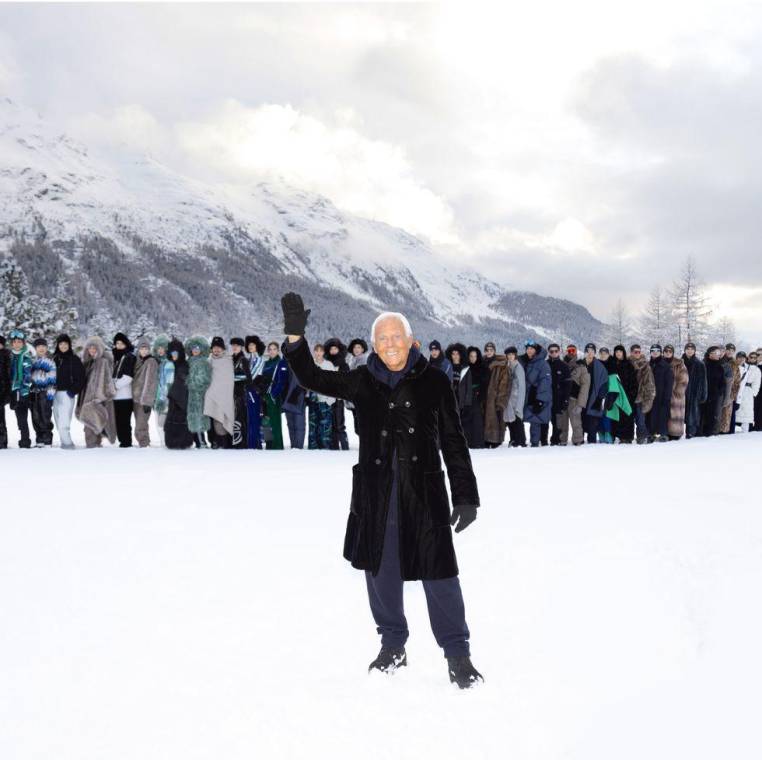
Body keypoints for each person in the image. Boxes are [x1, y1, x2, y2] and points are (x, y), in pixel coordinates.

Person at [280, 293, 483, 688]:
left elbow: (454, 441)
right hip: (377, 494)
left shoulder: (435, 381)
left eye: (397, 337)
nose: (390, 344)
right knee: (381, 573)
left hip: (423, 493)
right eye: (383, 339)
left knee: (439, 574)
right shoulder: (361, 380)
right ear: (374, 345)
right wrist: (295, 336)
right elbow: (312, 377)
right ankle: (393, 645)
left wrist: (465, 494)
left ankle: (458, 654)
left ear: (410, 341)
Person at [76, 336, 117, 448]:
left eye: (95, 348)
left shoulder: (103, 362)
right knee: (90, 425)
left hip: (97, 399)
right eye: (90, 348)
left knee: (92, 425)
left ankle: (93, 449)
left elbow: (108, 382)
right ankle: (95, 446)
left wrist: (101, 398)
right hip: (86, 398)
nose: (92, 350)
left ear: (100, 349)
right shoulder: (87, 363)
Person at [53, 334, 85, 449]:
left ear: (69, 345)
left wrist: (72, 391)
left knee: (64, 422)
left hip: (67, 393)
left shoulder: (74, 359)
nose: (63, 346)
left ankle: (68, 445)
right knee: (57, 420)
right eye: (61, 344)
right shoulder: (55, 359)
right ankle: (64, 442)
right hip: (55, 393)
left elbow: (81, 378)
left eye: (65, 344)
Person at [204, 336, 234, 449]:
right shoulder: (208, 362)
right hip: (211, 396)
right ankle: (214, 442)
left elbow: (230, 379)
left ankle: (225, 442)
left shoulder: (229, 361)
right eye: (214, 348)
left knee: (224, 418)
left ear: (223, 349)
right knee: (212, 419)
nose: (216, 350)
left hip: (226, 396)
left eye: (219, 347)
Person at [164, 339, 194, 450]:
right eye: (172, 353)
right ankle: (172, 442)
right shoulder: (169, 365)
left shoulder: (184, 365)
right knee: (172, 420)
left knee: (182, 420)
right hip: (172, 398)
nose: (174, 355)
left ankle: (183, 442)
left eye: (176, 353)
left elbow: (184, 381)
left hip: (182, 398)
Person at [260, 341, 289, 450]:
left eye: (274, 349)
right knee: (266, 422)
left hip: (274, 396)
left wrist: (273, 394)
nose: (272, 351)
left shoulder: (281, 363)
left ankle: (277, 445)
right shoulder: (266, 363)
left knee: (275, 422)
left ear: (278, 351)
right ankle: (269, 444)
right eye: (270, 349)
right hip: (265, 396)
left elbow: (282, 382)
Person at [522, 341, 552, 447]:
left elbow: (545, 382)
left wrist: (540, 400)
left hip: (536, 397)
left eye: (531, 349)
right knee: (531, 420)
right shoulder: (527, 361)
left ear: (536, 350)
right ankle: (530, 442)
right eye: (528, 349)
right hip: (528, 396)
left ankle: (535, 444)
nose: (529, 351)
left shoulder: (543, 364)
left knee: (536, 422)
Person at [307, 343, 336, 449]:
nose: (318, 353)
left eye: (320, 351)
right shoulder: (310, 364)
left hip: (325, 400)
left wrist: (331, 399)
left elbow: (334, 383)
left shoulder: (328, 365)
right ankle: (313, 447)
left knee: (325, 425)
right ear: (313, 352)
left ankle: (325, 447)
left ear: (323, 352)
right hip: (313, 399)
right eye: (316, 350)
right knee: (313, 425)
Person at [29, 337, 57, 448]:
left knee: (45, 416)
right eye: (39, 347)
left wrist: (50, 396)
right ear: (35, 348)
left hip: (45, 392)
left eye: (43, 346)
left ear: (46, 348)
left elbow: (52, 380)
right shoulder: (32, 362)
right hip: (33, 392)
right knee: (35, 417)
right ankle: (39, 439)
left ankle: (47, 440)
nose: (41, 348)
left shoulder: (50, 362)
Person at [8, 329, 33, 449]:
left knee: (23, 417)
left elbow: (27, 376)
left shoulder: (26, 358)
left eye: (19, 342)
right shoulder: (9, 357)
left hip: (23, 392)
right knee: (18, 417)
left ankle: (25, 440)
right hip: (13, 392)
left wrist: (23, 390)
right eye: (15, 342)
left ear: (23, 343)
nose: (17, 344)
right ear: (12, 343)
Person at [132, 336, 159, 448]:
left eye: (146, 348)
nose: (144, 351)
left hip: (144, 400)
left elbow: (151, 383)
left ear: (149, 350)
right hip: (135, 399)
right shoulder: (137, 361)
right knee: (139, 424)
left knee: (140, 425)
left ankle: (144, 445)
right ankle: (143, 443)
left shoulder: (151, 362)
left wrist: (147, 401)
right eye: (142, 348)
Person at [324, 338, 350, 450]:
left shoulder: (344, 364)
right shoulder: (326, 363)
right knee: (331, 424)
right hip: (328, 397)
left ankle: (344, 446)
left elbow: (347, 381)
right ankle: (333, 446)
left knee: (339, 423)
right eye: (331, 349)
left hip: (339, 397)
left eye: (335, 348)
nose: (333, 350)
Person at [186, 336, 212, 448]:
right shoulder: (188, 361)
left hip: (200, 394)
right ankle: (195, 440)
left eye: (197, 348)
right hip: (189, 395)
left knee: (200, 417)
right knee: (192, 417)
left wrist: (190, 382)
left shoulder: (205, 362)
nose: (195, 350)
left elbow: (206, 378)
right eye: (193, 348)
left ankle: (202, 441)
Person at [111, 332, 136, 447]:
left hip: (125, 395)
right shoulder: (114, 357)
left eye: (121, 343)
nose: (119, 345)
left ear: (126, 344)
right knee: (117, 421)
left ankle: (126, 442)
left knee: (124, 421)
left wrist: (114, 386)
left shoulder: (129, 357)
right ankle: (122, 441)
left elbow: (128, 377)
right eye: (117, 343)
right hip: (115, 396)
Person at [581, 343, 609, 444]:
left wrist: (599, 398)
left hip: (594, 397)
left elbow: (605, 383)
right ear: (585, 352)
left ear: (594, 353)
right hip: (581, 397)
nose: (590, 353)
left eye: (592, 351)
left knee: (592, 422)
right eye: (588, 351)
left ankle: (592, 442)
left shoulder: (599, 366)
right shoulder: (580, 364)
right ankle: (579, 440)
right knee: (581, 420)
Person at [482, 345, 510, 448]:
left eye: (491, 350)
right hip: (484, 396)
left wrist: (500, 400)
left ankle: (495, 440)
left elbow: (504, 384)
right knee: (485, 418)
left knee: (495, 419)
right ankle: (486, 439)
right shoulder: (482, 362)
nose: (489, 352)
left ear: (494, 351)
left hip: (495, 396)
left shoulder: (501, 365)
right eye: (487, 350)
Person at [610, 346, 638, 444]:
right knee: (616, 417)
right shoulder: (612, 365)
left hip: (627, 396)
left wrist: (631, 395)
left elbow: (634, 382)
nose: (618, 353)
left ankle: (628, 437)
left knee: (628, 416)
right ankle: (617, 436)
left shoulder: (628, 365)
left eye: (620, 351)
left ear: (623, 353)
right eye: (616, 351)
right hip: (615, 396)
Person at [629, 344, 656, 444]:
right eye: (635, 352)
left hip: (641, 397)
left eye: (639, 352)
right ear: (631, 352)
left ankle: (642, 437)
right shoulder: (627, 363)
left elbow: (650, 384)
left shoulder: (646, 366)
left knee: (640, 420)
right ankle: (628, 437)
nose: (637, 354)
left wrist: (649, 398)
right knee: (629, 420)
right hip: (629, 396)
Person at [546, 343, 572, 445]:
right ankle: (543, 439)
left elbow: (568, 385)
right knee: (546, 419)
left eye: (556, 351)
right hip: (547, 397)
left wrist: (565, 399)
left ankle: (556, 440)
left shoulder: (564, 366)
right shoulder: (545, 364)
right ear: (549, 352)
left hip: (559, 398)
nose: (554, 353)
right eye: (551, 351)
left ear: (559, 352)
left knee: (557, 421)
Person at [682, 342, 707, 439]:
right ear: (685, 350)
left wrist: (703, 394)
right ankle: (678, 433)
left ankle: (691, 433)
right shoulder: (680, 362)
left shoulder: (700, 364)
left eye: (692, 349)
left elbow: (704, 381)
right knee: (680, 414)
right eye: (688, 349)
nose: (689, 351)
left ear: (694, 351)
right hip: (681, 392)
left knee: (692, 415)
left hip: (694, 393)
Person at [245, 335, 267, 449]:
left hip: (255, 391)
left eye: (252, 345)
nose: (250, 347)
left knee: (255, 417)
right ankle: (251, 442)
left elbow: (251, 376)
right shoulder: (249, 359)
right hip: (249, 390)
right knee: (250, 417)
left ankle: (255, 443)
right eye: (249, 345)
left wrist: (241, 379)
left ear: (257, 346)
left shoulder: (260, 359)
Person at [663, 345, 689, 441]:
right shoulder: (661, 362)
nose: (668, 353)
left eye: (670, 351)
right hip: (663, 394)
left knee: (675, 414)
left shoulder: (680, 364)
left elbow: (684, 380)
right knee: (664, 414)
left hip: (676, 395)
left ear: (672, 353)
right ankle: (664, 432)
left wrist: (676, 392)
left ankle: (676, 433)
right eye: (666, 351)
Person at [566, 348, 590, 445]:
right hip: (563, 398)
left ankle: (578, 440)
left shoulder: (582, 367)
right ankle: (562, 440)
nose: (571, 353)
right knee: (561, 423)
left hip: (574, 399)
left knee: (576, 422)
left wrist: (581, 404)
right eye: (569, 351)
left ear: (576, 352)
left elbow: (585, 387)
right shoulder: (563, 365)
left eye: (573, 351)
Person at [345, 338, 369, 436]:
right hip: (354, 397)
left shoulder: (364, 360)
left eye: (359, 347)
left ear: (363, 349)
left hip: (361, 397)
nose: (356, 349)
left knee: (362, 425)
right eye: (355, 347)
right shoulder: (352, 360)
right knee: (358, 426)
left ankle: (367, 447)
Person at [230, 337, 251, 449]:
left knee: (240, 418)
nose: (234, 347)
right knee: (233, 418)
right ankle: (235, 442)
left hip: (241, 393)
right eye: (233, 345)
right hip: (231, 393)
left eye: (237, 346)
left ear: (241, 347)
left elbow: (248, 377)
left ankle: (242, 443)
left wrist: (231, 378)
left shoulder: (243, 360)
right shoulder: (231, 359)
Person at [503, 346, 526, 447]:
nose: (510, 356)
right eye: (509, 355)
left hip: (516, 399)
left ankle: (520, 441)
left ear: (515, 355)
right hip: (509, 399)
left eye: (512, 354)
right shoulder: (508, 366)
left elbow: (522, 386)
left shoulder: (518, 367)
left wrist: (519, 403)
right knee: (511, 421)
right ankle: (513, 439)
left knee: (518, 421)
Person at [701, 346, 726, 437]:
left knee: (712, 414)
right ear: (709, 354)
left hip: (714, 395)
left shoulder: (720, 367)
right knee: (702, 413)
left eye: (718, 353)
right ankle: (700, 432)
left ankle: (710, 432)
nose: (717, 355)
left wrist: (719, 391)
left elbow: (723, 382)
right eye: (715, 353)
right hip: (703, 394)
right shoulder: (703, 364)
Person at [152, 335, 172, 445]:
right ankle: (162, 442)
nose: (160, 350)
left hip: (165, 398)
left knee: (161, 423)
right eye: (158, 348)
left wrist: (165, 397)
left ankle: (165, 442)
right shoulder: (155, 362)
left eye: (162, 348)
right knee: (157, 423)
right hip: (155, 397)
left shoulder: (169, 363)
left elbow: (169, 382)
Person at [734, 352, 761, 433]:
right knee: (736, 408)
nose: (752, 359)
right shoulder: (743, 366)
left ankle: (745, 430)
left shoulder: (757, 370)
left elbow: (757, 383)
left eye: (754, 357)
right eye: (751, 357)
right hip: (739, 388)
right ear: (748, 357)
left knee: (747, 411)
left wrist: (753, 393)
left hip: (748, 391)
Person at [720, 343, 739, 434]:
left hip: (729, 392)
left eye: (732, 351)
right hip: (719, 390)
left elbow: (737, 382)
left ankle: (724, 433)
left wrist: (733, 394)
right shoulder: (719, 360)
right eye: (728, 350)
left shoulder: (735, 364)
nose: (730, 352)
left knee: (726, 415)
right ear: (725, 350)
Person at [0, 335, 11, 449]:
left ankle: (2, 442)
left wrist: (7, 393)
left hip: (2, 392)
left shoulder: (6, 356)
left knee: (1, 420)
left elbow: (9, 376)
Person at [749, 351, 762, 431]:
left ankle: (758, 426)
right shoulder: (751, 365)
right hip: (751, 390)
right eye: (757, 354)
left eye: (760, 354)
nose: (758, 356)